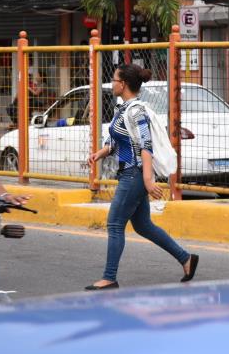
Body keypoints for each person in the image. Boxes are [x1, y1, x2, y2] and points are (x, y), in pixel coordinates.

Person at [84, 64, 198, 290]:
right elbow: (121, 140)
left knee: (115, 224)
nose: (112, 83)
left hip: (134, 174)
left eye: (114, 80)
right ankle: (186, 259)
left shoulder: (136, 112)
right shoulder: (124, 109)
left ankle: (109, 277)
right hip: (130, 172)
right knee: (143, 225)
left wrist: (148, 180)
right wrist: (100, 153)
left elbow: (146, 145)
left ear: (123, 84)